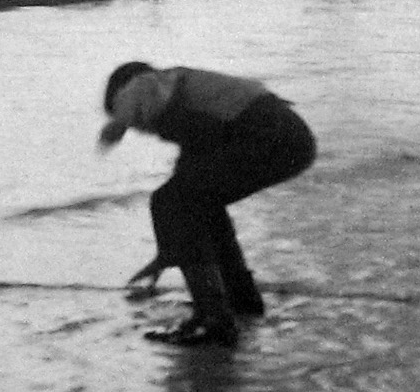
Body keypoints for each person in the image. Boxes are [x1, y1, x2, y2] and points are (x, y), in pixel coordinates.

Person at [99, 62, 317, 346]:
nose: (141, 128)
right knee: (196, 201)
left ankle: (213, 318)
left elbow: (141, 86)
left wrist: (117, 124)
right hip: (291, 139)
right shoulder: (194, 104)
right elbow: (185, 183)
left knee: (174, 200)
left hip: (268, 134)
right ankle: (240, 300)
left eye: (136, 119)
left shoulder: (155, 84)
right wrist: (168, 252)